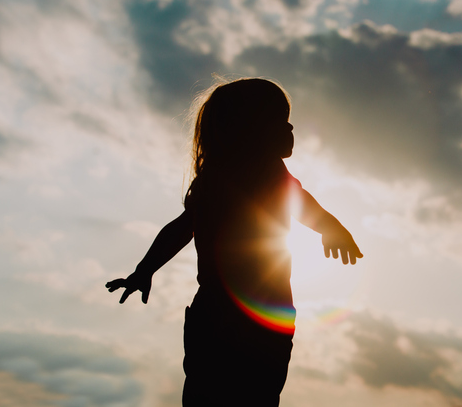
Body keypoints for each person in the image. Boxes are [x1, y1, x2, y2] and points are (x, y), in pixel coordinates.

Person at [106, 77, 362, 406]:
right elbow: (184, 227)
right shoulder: (246, 175)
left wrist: (145, 269)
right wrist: (331, 227)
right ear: (251, 129)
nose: (290, 128)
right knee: (244, 395)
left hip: (238, 316)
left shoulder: (229, 176)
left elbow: (182, 227)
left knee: (220, 394)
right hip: (238, 318)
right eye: (280, 121)